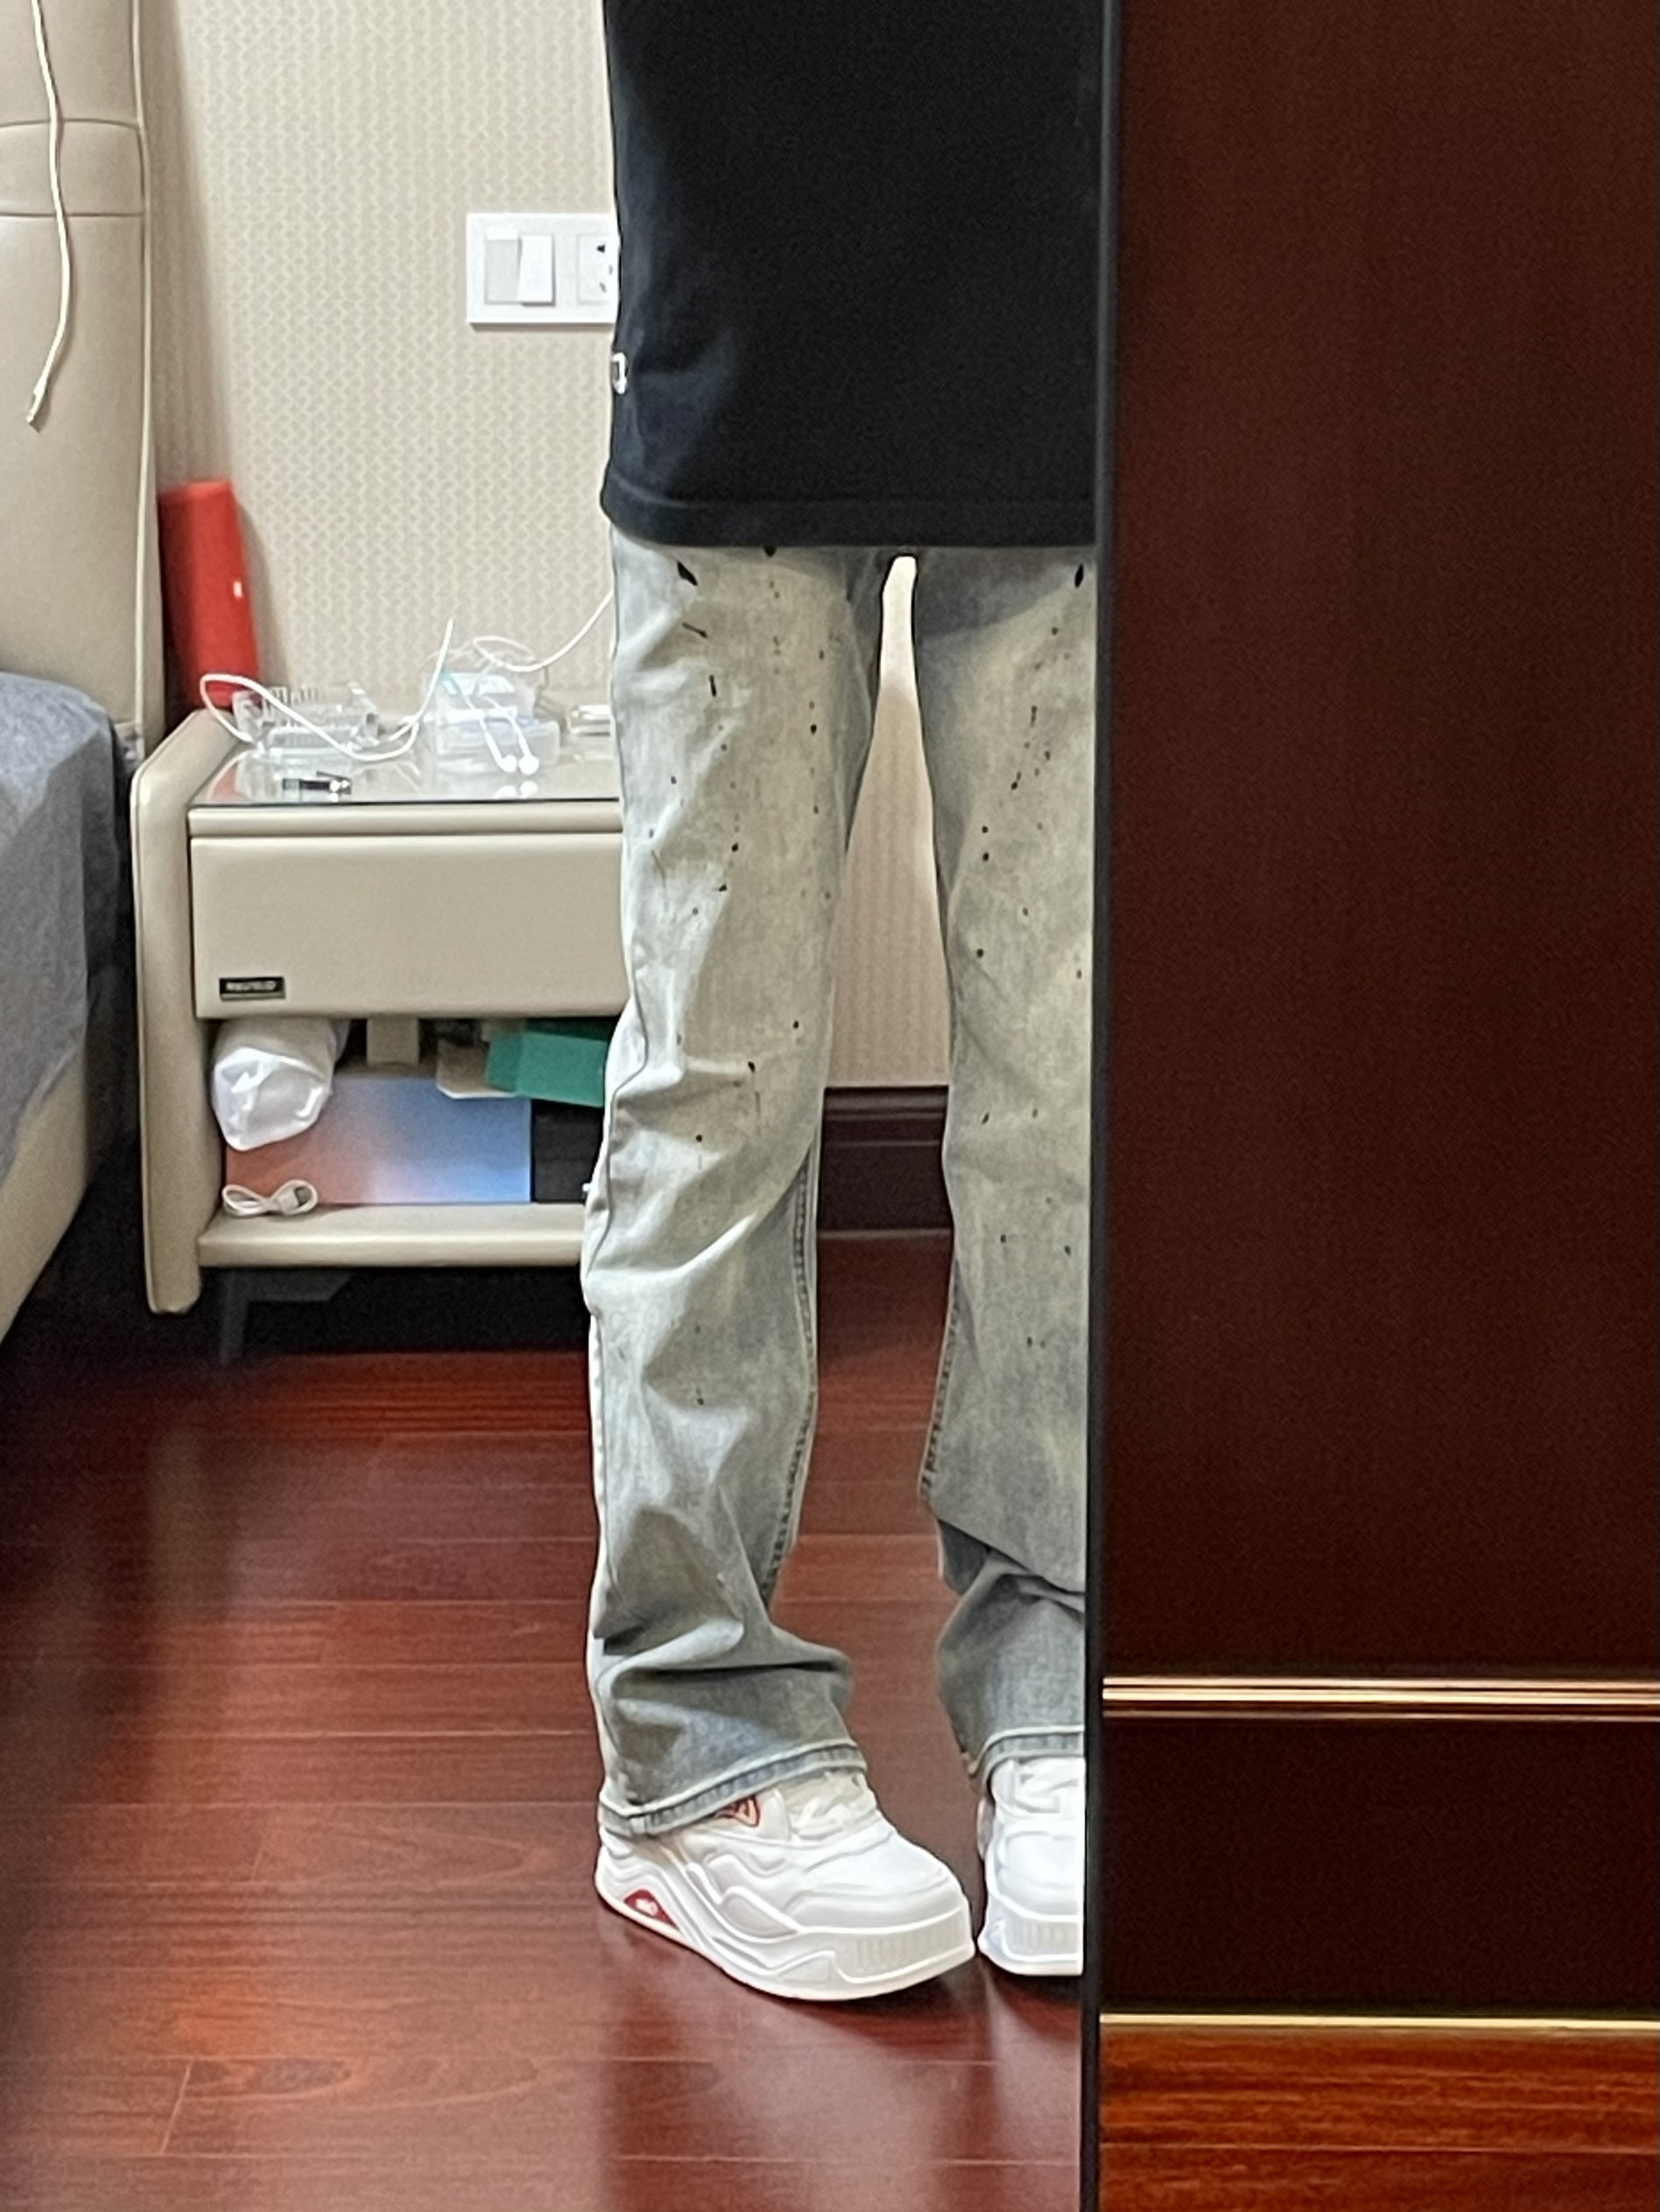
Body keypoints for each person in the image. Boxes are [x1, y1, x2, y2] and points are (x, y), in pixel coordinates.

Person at [580, 3, 1101, 2002]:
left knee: (1068, 1087)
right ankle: (694, 1744)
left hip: (1068, 312)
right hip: (748, 320)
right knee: (719, 1080)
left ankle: (1057, 1684)